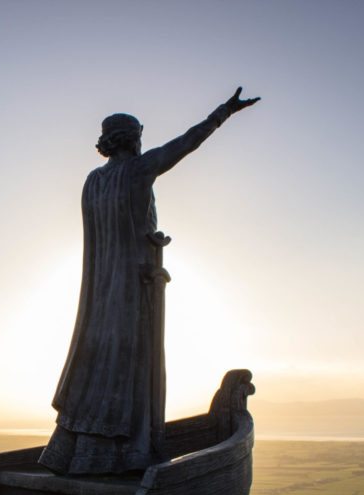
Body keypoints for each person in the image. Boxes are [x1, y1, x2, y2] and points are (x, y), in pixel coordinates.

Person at [38, 87, 260, 475]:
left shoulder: (92, 181)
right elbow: (186, 143)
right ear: (134, 139)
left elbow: (110, 230)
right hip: (133, 284)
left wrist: (146, 239)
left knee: (98, 359)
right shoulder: (137, 170)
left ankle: (76, 446)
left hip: (99, 289)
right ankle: (124, 451)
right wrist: (224, 112)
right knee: (130, 362)